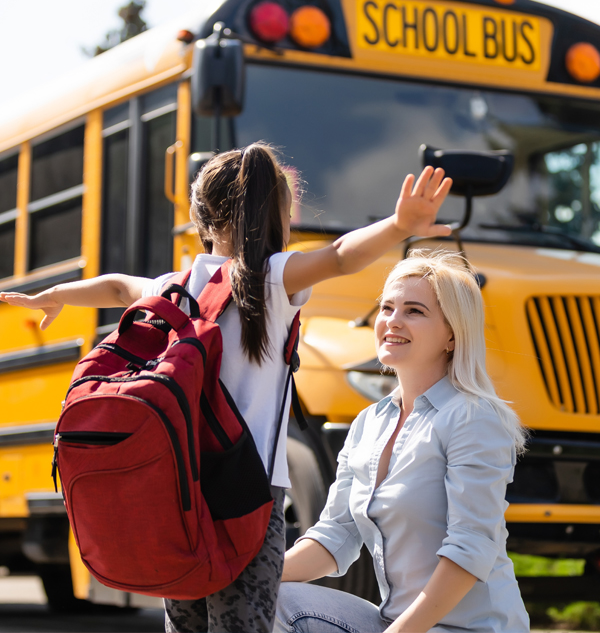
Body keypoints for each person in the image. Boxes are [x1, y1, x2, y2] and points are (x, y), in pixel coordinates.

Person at [0, 143, 452, 633]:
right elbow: (341, 256)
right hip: (249, 492)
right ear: (278, 213)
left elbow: (113, 288)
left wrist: (55, 295)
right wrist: (399, 225)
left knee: (187, 622)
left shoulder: (176, 284)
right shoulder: (270, 280)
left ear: (202, 216)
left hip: (178, 486)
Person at [275, 250, 529, 633]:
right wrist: (246, 577)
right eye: (387, 308)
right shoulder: (368, 423)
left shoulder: (473, 417)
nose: (392, 321)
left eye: (414, 311)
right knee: (265, 598)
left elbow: (469, 551)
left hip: (469, 630)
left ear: (452, 334)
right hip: (394, 623)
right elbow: (335, 536)